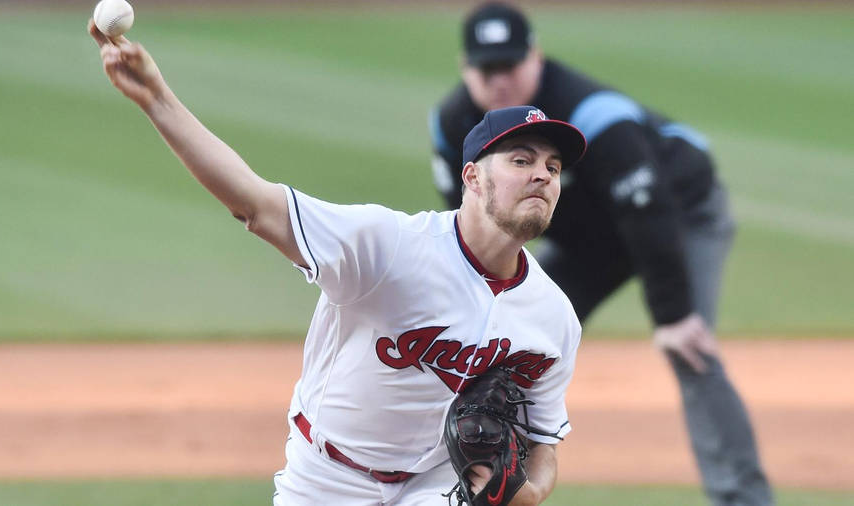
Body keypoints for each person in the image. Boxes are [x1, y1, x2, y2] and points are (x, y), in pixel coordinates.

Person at [89, 18, 588, 506]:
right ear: (473, 178)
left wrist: (528, 492)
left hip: (436, 485)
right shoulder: (387, 245)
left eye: (553, 167)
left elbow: (544, 440)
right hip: (326, 476)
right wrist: (158, 100)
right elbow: (255, 205)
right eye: (521, 161)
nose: (542, 176)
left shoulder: (552, 316)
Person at [429, 3, 773, 505]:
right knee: (497, 342)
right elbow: (468, 219)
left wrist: (673, 314)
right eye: (487, 69)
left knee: (690, 349)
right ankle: (481, 490)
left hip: (679, 215)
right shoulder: (455, 122)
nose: (500, 80)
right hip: (591, 239)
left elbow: (647, 205)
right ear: (465, 68)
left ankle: (743, 499)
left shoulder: (591, 110)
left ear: (537, 58)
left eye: (511, 65)